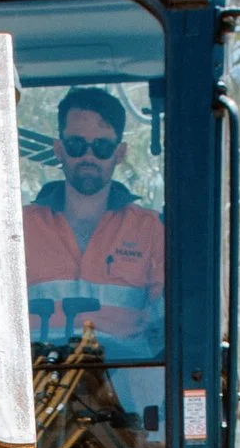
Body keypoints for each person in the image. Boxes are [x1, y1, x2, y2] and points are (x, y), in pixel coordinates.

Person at [21, 84, 165, 356]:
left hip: (124, 388)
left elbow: (167, 325)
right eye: (76, 145)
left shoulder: (151, 231)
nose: (88, 156)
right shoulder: (17, 228)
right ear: (59, 149)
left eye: (101, 146)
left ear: (119, 153)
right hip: (33, 384)